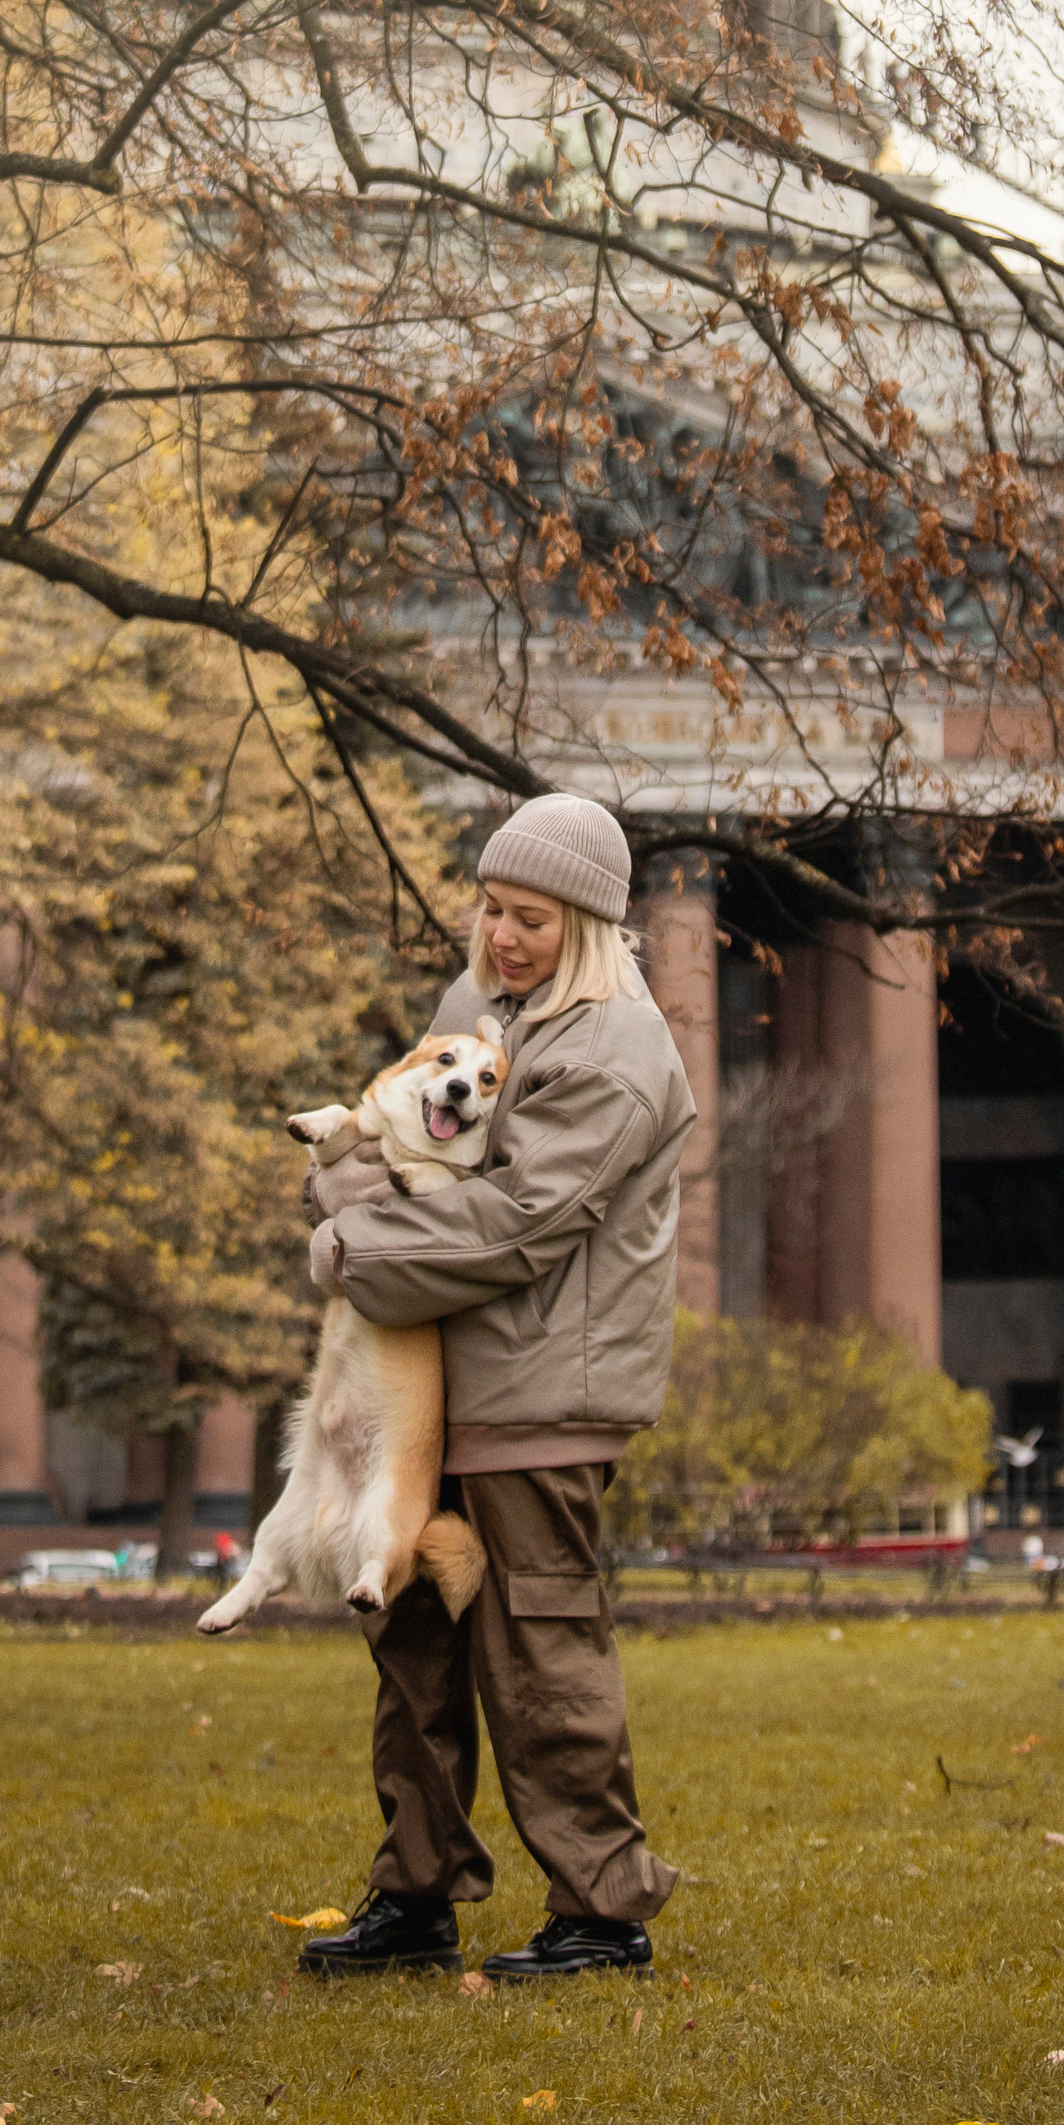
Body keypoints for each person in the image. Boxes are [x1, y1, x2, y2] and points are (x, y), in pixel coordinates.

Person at [294, 791, 693, 1983]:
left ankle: (601, 1912)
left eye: (529, 917)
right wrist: (353, 1182)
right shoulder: (477, 1006)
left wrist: (349, 1246)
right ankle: (414, 1893)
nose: (501, 935)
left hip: (545, 1392)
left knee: (541, 1648)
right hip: (438, 1376)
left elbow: (519, 1221)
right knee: (408, 1636)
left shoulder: (620, 1050)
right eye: (490, 908)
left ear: (585, 925)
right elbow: (405, 1139)